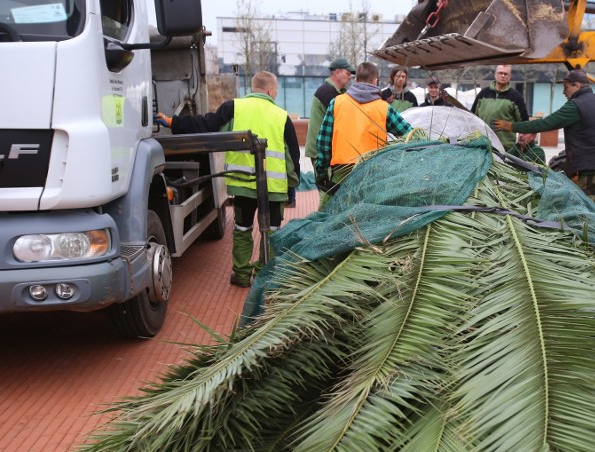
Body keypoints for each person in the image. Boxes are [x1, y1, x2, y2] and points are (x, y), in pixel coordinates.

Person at [155, 71, 300, 287]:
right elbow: (292, 157)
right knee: (272, 231)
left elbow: (206, 124)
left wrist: (172, 122)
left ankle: (241, 275)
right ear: (271, 90)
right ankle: (264, 276)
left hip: (243, 184)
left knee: (242, 228)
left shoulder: (234, 108)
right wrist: (291, 188)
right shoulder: (281, 116)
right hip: (274, 187)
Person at [493, 69, 595, 230]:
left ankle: (592, 250)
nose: (563, 92)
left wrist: (511, 126)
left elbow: (545, 124)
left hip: (592, 168)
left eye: (566, 87)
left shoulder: (575, 106)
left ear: (577, 85)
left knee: (588, 212)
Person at [315, 62, 414, 208]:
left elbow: (324, 142)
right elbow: (409, 134)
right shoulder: (383, 107)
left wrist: (321, 172)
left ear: (355, 80)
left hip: (342, 175)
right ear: (375, 81)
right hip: (373, 175)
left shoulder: (337, 103)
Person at [305, 58, 354, 180]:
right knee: (326, 191)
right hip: (321, 152)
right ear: (338, 72)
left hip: (325, 150)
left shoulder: (337, 92)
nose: (350, 77)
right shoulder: (327, 92)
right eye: (348, 73)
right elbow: (343, 121)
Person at [471, 64, 529, 151]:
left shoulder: (516, 97)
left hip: (505, 146)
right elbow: (472, 117)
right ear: (495, 75)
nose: (502, 76)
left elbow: (524, 123)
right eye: (500, 73)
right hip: (482, 143)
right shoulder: (483, 94)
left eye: (506, 74)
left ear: (509, 77)